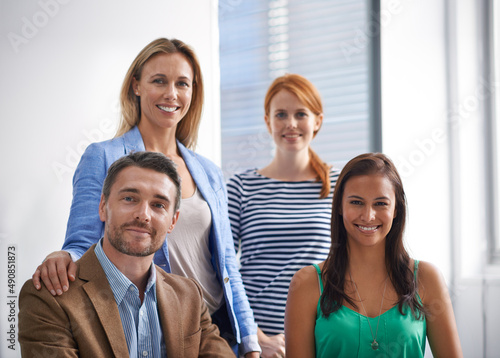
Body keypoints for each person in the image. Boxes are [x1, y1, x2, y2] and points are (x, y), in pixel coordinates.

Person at [31, 38, 259, 356]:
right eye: (159, 81)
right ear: (136, 86)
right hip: (158, 325)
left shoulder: (207, 170)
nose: (171, 94)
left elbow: (227, 265)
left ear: (194, 91)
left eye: (182, 83)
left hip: (214, 328)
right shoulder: (104, 156)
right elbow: (82, 240)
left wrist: (251, 343)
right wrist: (63, 257)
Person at [19, 151, 235, 357]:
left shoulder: (189, 295)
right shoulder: (49, 298)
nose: (143, 215)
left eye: (158, 205)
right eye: (130, 198)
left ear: (173, 221)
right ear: (103, 206)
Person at [284, 153, 463, 357]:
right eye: (357, 202)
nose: (368, 216)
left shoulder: (426, 278)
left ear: (396, 209)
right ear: (340, 207)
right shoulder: (306, 283)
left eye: (380, 203)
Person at [227, 74, 340, 357]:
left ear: (318, 121)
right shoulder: (241, 187)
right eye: (281, 114)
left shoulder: (340, 184)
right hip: (259, 343)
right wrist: (256, 338)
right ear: (268, 122)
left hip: (325, 332)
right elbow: (223, 270)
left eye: (300, 114)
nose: (291, 123)